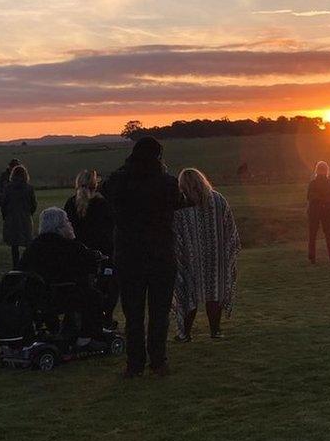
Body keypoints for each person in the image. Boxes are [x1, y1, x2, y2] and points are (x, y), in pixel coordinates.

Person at [102, 137, 185, 377]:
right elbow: (178, 203)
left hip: (129, 255)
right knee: (159, 313)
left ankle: (134, 363)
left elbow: (105, 190)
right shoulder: (167, 183)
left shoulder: (119, 181)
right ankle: (158, 361)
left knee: (133, 314)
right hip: (161, 255)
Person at [171, 169, 241, 341]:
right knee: (214, 293)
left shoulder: (181, 205)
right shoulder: (218, 200)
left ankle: (185, 334)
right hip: (216, 258)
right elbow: (229, 227)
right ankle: (215, 331)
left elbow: (175, 234)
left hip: (190, 260)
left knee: (188, 294)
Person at [18, 207, 104, 346]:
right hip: (60, 296)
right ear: (60, 227)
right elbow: (88, 266)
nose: (70, 225)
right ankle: (86, 338)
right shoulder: (69, 247)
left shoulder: (33, 247)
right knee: (94, 296)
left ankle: (61, 329)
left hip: (36, 296)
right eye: (67, 222)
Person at [64, 170, 118, 329]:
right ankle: (105, 318)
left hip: (78, 255)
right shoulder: (103, 205)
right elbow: (109, 231)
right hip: (101, 255)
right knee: (109, 288)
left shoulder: (70, 203)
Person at [1, 165, 36, 269]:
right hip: (25, 217)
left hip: (11, 218)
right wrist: (29, 213)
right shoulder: (29, 188)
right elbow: (33, 204)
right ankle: (27, 264)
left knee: (14, 245)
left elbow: (4, 204)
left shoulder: (8, 188)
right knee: (27, 243)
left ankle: (15, 266)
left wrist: (6, 216)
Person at [307, 161, 330, 263]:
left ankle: (312, 257)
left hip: (314, 211)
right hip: (327, 211)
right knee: (329, 234)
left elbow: (309, 197)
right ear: (327, 171)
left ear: (317, 170)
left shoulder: (312, 184)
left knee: (312, 234)